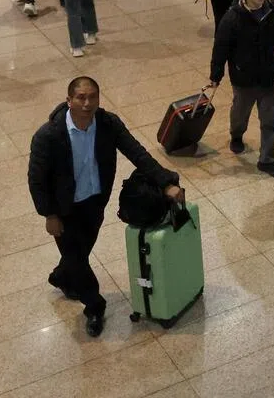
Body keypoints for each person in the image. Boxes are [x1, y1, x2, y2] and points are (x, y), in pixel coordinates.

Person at [28, 76, 185, 337]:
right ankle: (94, 307)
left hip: (95, 202)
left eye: (93, 97)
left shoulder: (107, 124)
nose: (87, 103)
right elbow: (36, 180)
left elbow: (137, 153)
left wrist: (166, 182)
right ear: (69, 100)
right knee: (77, 258)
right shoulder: (48, 135)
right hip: (64, 208)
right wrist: (49, 214)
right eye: (80, 97)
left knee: (79, 253)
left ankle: (62, 276)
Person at [209, 0, 274, 178]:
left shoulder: (272, 12)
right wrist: (216, 75)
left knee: (270, 120)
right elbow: (221, 48)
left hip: (269, 77)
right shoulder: (232, 17)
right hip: (244, 78)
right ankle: (236, 135)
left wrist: (272, 61)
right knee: (240, 114)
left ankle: (267, 160)